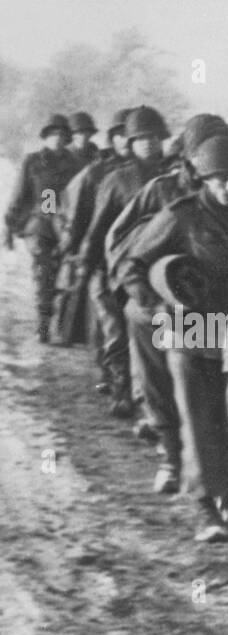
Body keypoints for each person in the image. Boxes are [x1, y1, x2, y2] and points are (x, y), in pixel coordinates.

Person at [117, 135, 228, 542]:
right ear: (202, 179)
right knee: (196, 418)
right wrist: (159, 310)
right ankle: (203, 507)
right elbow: (133, 266)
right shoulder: (181, 216)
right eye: (220, 180)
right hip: (188, 329)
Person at [106, 114, 228, 484]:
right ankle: (169, 448)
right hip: (160, 299)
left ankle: (223, 471)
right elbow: (117, 240)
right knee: (150, 342)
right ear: (188, 155)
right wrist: (146, 297)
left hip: (218, 304)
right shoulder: (162, 191)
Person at [81, 106, 171, 425]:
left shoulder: (172, 178)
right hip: (118, 267)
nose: (149, 144)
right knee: (117, 333)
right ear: (130, 143)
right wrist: (89, 265)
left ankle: (149, 404)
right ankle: (122, 391)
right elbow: (99, 226)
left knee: (154, 339)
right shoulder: (116, 179)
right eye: (141, 138)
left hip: (159, 272)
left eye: (154, 138)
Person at [61, 107, 133, 391]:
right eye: (122, 135)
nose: (128, 140)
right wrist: (64, 241)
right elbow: (67, 205)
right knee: (105, 317)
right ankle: (109, 373)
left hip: (132, 254)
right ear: (113, 138)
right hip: (97, 249)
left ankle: (122, 376)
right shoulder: (94, 171)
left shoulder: (153, 170)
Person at [4, 114, 82, 345]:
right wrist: (10, 223)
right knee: (44, 272)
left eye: (61, 135)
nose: (57, 139)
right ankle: (43, 323)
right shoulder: (33, 161)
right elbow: (20, 194)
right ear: (45, 137)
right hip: (41, 224)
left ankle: (64, 325)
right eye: (52, 135)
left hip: (68, 225)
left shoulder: (76, 163)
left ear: (67, 138)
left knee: (66, 275)